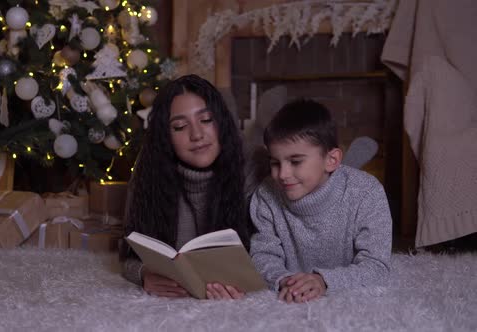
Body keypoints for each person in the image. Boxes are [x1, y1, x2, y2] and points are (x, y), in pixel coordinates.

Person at [120, 74, 250, 300]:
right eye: (179, 126)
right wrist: (144, 274)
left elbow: (270, 253)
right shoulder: (148, 173)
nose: (197, 135)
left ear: (221, 122)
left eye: (206, 119)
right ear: (166, 137)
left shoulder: (248, 170)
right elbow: (128, 255)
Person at [249, 99, 392, 304]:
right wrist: (284, 280)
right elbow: (262, 255)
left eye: (295, 161)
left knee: (346, 186)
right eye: (275, 162)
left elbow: (377, 266)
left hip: (342, 294)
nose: (283, 174)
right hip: (293, 287)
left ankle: (349, 165)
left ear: (331, 160)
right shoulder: (266, 194)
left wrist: (324, 280)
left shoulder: (367, 192)